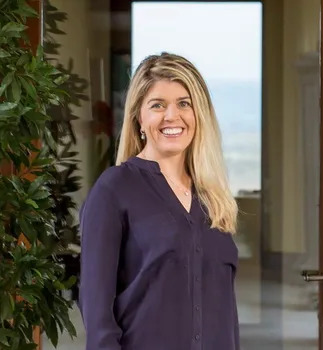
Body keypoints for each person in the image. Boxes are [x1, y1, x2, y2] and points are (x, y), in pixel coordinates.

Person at [78, 52, 240, 350]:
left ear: (198, 114)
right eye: (157, 105)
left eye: (184, 103)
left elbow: (226, 314)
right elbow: (98, 314)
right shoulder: (113, 190)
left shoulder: (212, 197)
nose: (172, 116)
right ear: (139, 117)